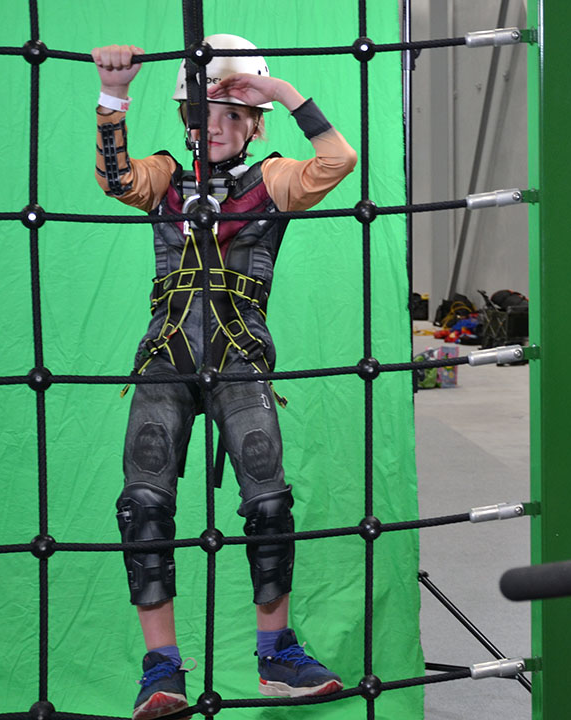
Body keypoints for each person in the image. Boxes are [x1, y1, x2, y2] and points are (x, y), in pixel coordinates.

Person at [92, 34, 358, 720]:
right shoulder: (161, 176)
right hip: (167, 358)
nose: (212, 125)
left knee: (268, 497)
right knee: (144, 500)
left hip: (241, 360)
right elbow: (117, 180)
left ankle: (276, 655)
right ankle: (161, 671)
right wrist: (113, 94)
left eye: (230, 113)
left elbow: (339, 160)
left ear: (253, 123)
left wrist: (276, 91)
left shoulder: (272, 181)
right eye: (201, 111)